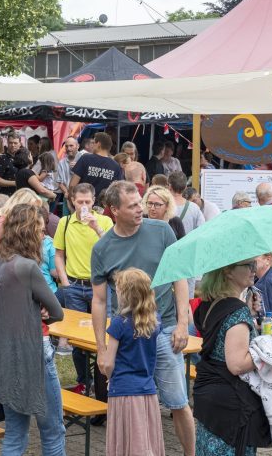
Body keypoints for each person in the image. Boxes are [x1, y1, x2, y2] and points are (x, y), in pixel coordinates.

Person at [92, 181, 194, 455]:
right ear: (114, 210)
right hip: (127, 338)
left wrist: (183, 324)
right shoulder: (102, 248)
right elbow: (100, 301)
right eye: (134, 205)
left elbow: (179, 277)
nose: (141, 209)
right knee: (133, 404)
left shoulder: (161, 230)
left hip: (164, 330)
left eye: (141, 202)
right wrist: (102, 348)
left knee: (178, 402)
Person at [0, 204, 65, 455]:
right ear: (28, 231)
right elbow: (58, 311)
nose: (44, 236)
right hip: (33, 351)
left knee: (16, 433)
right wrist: (41, 309)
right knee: (52, 430)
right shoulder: (28, 267)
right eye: (40, 230)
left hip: (3, 351)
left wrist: (33, 307)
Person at [192, 258, 271, 456]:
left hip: (208, 395)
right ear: (228, 271)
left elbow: (221, 333)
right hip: (229, 405)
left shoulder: (211, 303)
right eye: (248, 266)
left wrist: (248, 315)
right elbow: (236, 365)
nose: (254, 270)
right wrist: (268, 352)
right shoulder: (237, 312)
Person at [53, 183, 113, 395]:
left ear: (94, 200)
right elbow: (59, 254)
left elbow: (113, 248)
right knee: (77, 338)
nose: (84, 205)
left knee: (104, 334)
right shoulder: (65, 222)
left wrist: (96, 227)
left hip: (101, 286)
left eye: (88, 201)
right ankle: (83, 381)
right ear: (72, 201)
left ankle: (104, 382)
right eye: (80, 202)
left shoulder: (104, 221)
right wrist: (64, 281)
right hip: (75, 285)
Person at [104, 268, 165, 456]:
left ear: (126, 294)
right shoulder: (154, 322)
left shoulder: (118, 323)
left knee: (126, 442)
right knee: (145, 440)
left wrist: (108, 377)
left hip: (123, 391)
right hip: (147, 390)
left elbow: (108, 363)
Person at [70, 132, 123, 198]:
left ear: (98, 144)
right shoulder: (116, 166)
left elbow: (73, 185)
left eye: (94, 143)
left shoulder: (85, 158)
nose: (93, 145)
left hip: (84, 203)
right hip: (104, 205)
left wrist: (72, 201)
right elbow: (118, 191)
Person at [54, 137, 81, 212]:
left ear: (77, 146)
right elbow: (60, 182)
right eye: (66, 146)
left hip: (82, 196)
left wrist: (79, 166)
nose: (68, 148)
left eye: (71, 146)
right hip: (67, 197)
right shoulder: (61, 162)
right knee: (67, 220)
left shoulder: (84, 159)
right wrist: (67, 193)